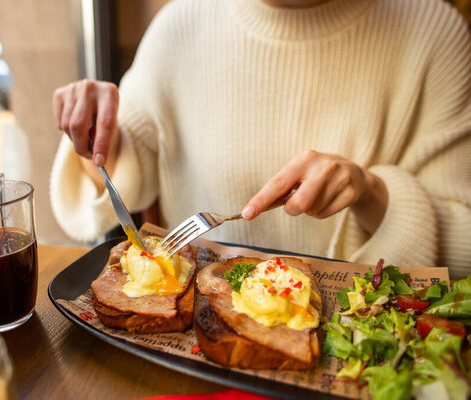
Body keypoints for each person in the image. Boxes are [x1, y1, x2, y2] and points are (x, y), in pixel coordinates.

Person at [50, 0, 471, 268]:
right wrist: (92, 134)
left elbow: (463, 246)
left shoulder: (435, 30)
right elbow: (125, 180)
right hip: (198, 345)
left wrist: (371, 192)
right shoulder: (180, 22)